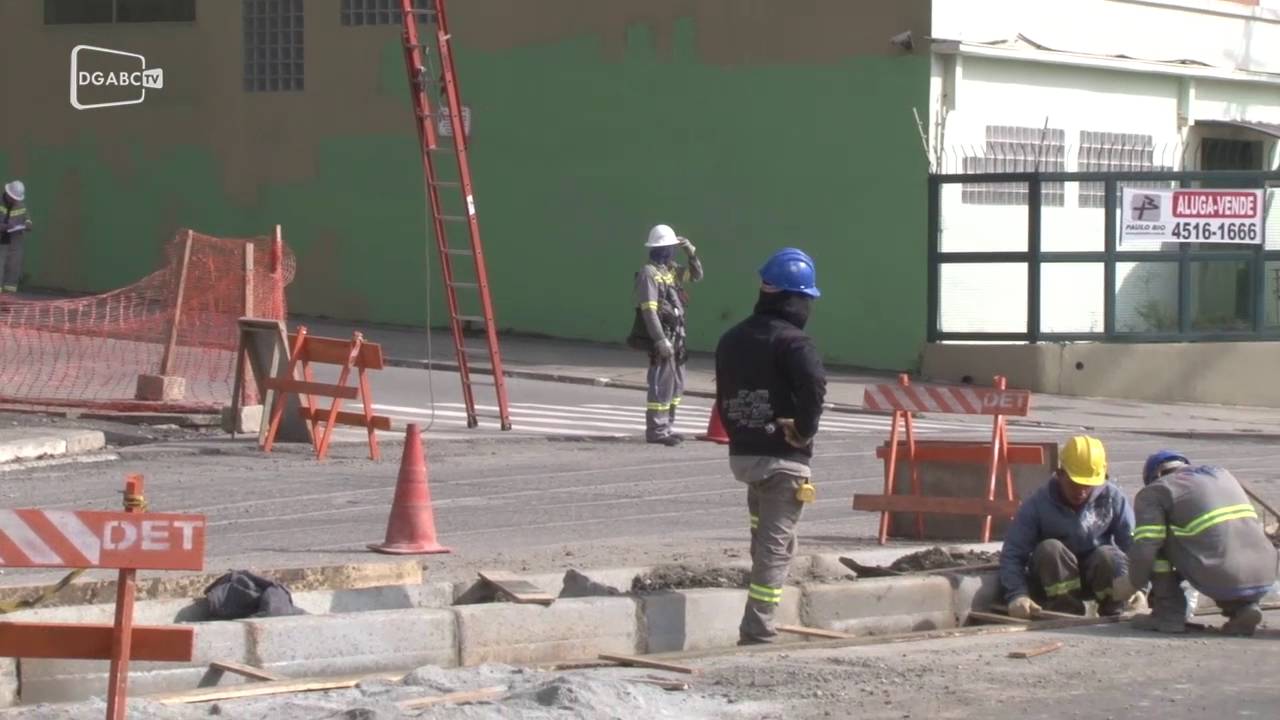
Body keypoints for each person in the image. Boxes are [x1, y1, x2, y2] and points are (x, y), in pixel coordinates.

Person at [715, 248, 825, 644]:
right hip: (783, 462)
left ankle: (758, 619)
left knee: (763, 540)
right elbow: (814, 386)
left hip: (744, 456)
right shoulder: (795, 343)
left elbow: (724, 396)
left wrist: (742, 431)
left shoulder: (732, 339)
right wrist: (805, 429)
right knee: (775, 549)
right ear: (795, 299)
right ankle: (758, 627)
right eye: (807, 298)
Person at [1113, 451, 1278, 636]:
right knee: (1217, 539)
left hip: (1221, 572)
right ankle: (1243, 609)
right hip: (1266, 572)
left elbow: (1145, 549)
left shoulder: (1156, 490)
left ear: (1155, 476)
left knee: (1154, 539)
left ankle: (1168, 614)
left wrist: (1131, 584)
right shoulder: (1223, 475)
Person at [999, 435, 1137, 619]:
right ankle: (1064, 611)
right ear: (1060, 473)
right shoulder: (1038, 503)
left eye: (1087, 485)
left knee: (1108, 555)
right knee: (1050, 549)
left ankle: (1114, 608)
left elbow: (1135, 546)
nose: (1081, 491)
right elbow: (1013, 553)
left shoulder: (1112, 499)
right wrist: (1017, 595)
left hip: (1096, 575)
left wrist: (1140, 588)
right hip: (1055, 579)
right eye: (1075, 484)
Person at [629, 224, 703, 446]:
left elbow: (697, 276)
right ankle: (657, 431)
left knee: (676, 385)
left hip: (677, 338)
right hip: (664, 338)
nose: (670, 251)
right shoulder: (649, 274)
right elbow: (649, 310)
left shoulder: (670, 270)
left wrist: (691, 253)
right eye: (668, 248)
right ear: (658, 249)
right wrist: (660, 340)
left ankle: (667, 427)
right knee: (661, 385)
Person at [0, 180, 31, 293]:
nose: (14, 200)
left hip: (15, 245)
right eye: (13, 198)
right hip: (1, 243)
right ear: (7, 193)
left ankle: (8, 302)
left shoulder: (21, 206)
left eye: (16, 199)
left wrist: (28, 224)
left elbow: (28, 220)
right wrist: (3, 226)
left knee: (13, 272)